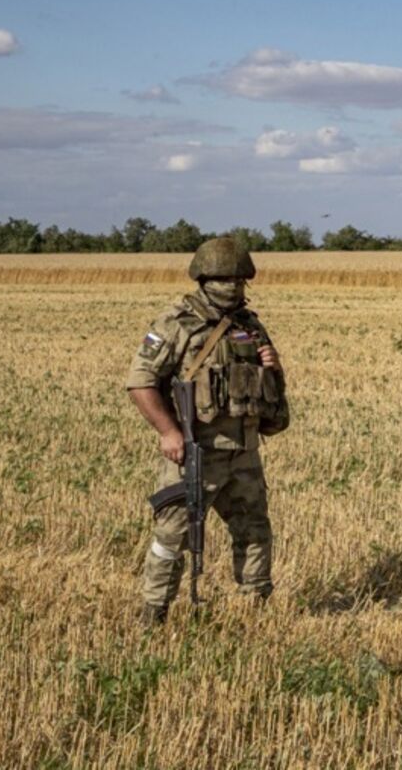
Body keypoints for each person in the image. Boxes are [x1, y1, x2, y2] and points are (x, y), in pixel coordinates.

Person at [125, 237, 289, 625]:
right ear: (203, 278)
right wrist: (168, 432)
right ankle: (154, 613)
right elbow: (140, 382)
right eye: (222, 278)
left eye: (238, 278)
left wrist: (273, 366)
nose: (232, 285)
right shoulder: (176, 323)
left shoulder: (250, 326)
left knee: (254, 532)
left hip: (243, 451)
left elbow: (271, 398)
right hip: (196, 450)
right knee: (172, 538)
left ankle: (256, 608)